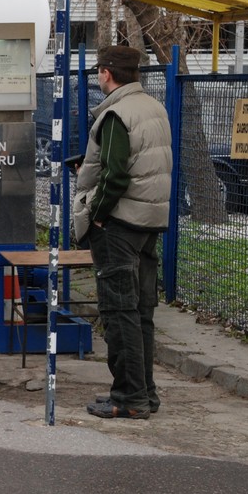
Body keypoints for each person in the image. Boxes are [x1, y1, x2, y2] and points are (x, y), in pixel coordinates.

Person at [72, 46, 172, 420]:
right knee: (142, 311)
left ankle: (127, 398)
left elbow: (115, 174)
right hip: (149, 222)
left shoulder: (116, 113)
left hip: (119, 225)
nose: (98, 76)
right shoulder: (154, 107)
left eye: (99, 71)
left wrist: (95, 215)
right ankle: (146, 393)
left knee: (118, 312)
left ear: (107, 73)